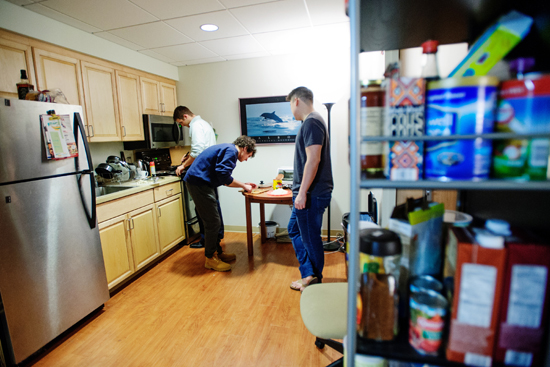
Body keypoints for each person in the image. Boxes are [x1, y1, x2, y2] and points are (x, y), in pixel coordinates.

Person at [183, 136, 257, 271]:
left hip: (204, 183)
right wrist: (244, 185)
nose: (246, 159)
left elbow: (222, 176)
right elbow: (224, 178)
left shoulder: (228, 148)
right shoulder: (231, 152)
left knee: (217, 220)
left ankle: (217, 253)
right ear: (245, 148)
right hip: (198, 184)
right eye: (248, 155)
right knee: (212, 222)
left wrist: (244, 184)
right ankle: (210, 259)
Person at [286, 87, 333, 292]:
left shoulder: (312, 122)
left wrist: (303, 192)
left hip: (312, 193)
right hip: (311, 192)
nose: (291, 110)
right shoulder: (313, 121)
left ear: (296, 101)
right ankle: (309, 274)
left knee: (310, 237)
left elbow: (313, 160)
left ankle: (313, 281)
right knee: (295, 229)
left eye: (290, 105)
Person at [173, 106, 217, 248]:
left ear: (185, 116)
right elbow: (201, 148)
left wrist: (183, 165)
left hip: (202, 173)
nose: (182, 126)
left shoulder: (195, 125)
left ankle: (206, 241)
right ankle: (214, 240)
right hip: (209, 171)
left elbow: (198, 151)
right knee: (211, 208)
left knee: (203, 209)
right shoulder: (203, 124)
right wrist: (188, 155)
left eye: (180, 123)